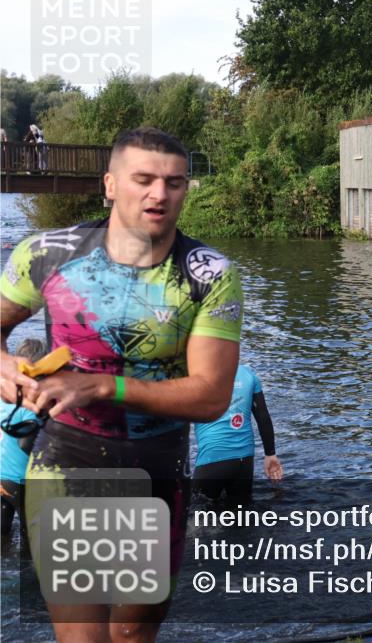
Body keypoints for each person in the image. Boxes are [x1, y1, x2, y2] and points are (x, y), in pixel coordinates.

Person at [0, 127, 243, 642]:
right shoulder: (48, 254)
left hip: (158, 467)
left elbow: (211, 395)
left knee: (133, 634)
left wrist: (102, 387)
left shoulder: (210, 274)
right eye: (144, 179)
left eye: (174, 182)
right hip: (66, 461)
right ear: (110, 185)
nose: (160, 194)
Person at [193, 363, 283, 504]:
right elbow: (263, 417)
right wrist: (270, 454)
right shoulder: (249, 375)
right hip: (244, 462)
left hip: (211, 459)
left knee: (198, 517)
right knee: (241, 518)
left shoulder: (195, 376)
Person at [0, 338, 46, 544]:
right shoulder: (34, 409)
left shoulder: (3, 400)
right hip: (24, 483)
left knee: (2, 536)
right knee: (32, 542)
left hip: (2, 480)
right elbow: (26, 444)